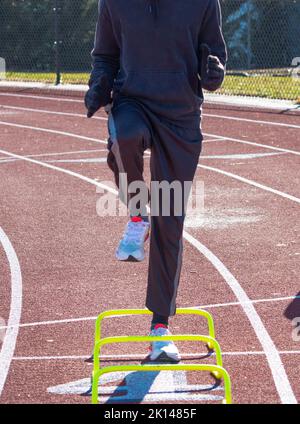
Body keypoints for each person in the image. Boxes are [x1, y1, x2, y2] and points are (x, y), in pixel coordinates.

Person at [85, 0, 227, 362]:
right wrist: (99, 85)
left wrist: (213, 73)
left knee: (170, 221)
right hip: (133, 100)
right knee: (124, 136)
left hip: (181, 116)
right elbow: (105, 55)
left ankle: (160, 328)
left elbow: (215, 55)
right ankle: (137, 215)